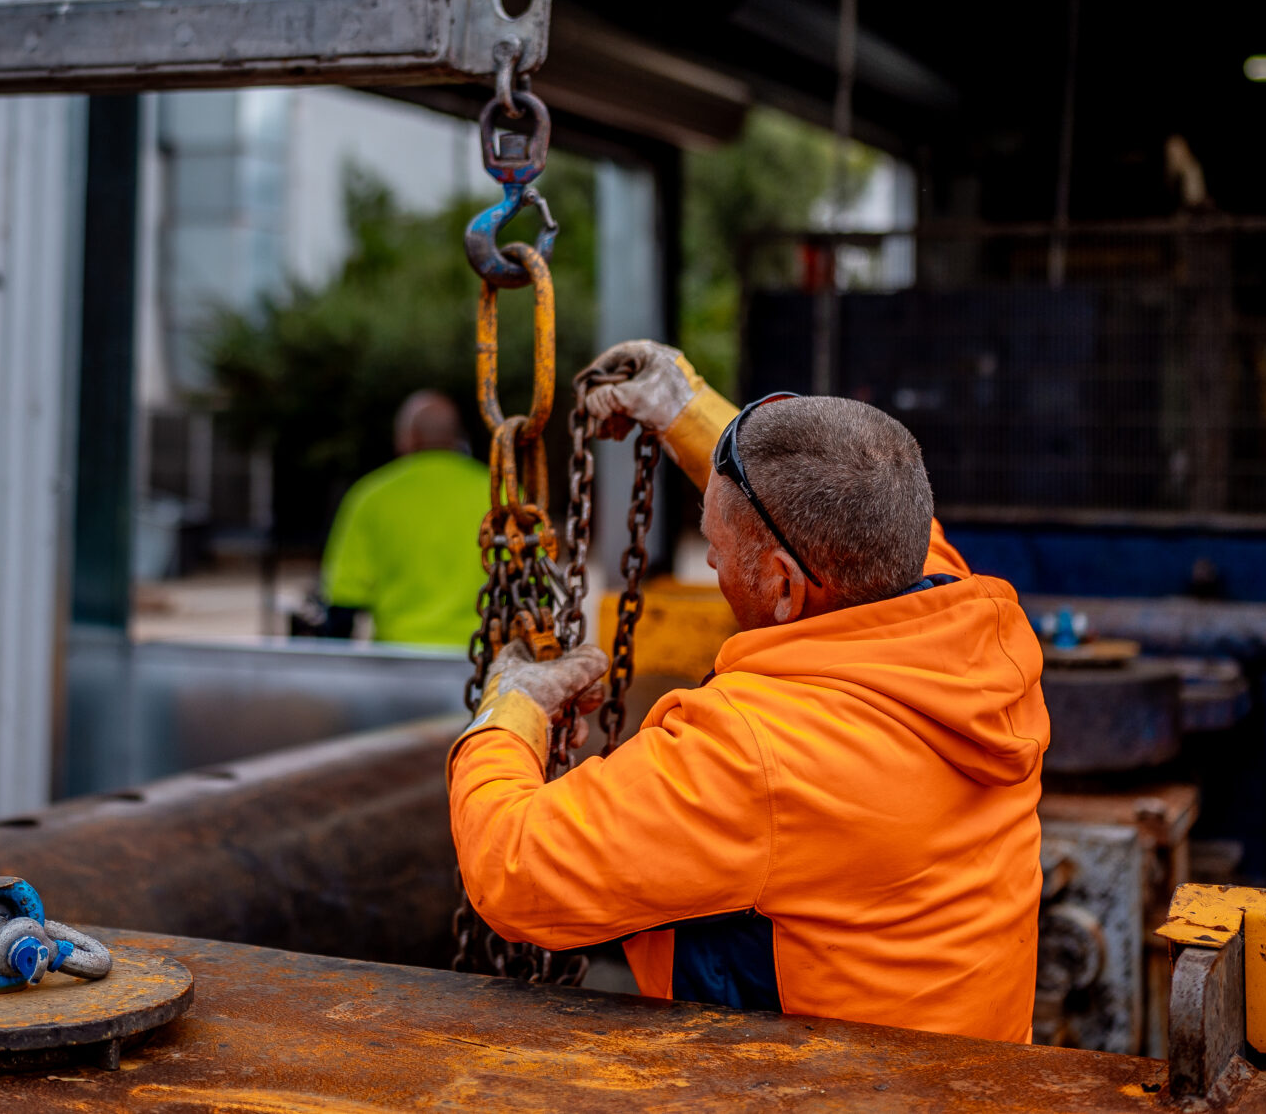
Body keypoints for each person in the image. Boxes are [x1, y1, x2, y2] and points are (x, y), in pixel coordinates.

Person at [449, 340, 1049, 1041]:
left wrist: (512, 705)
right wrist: (684, 407)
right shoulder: (972, 625)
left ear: (785, 587)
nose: (709, 557)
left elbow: (513, 866)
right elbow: (846, 508)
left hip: (838, 1087)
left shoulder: (757, 753)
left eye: (716, 549)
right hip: (977, 1068)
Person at [310, 390, 490, 646]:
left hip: (398, 654)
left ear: (408, 437)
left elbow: (344, 600)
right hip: (483, 656)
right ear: (457, 437)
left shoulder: (371, 497)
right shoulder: (503, 494)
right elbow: (534, 590)